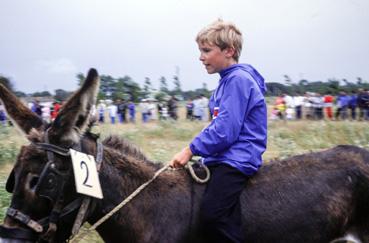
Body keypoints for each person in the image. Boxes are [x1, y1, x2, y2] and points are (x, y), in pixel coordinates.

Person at [169, 19, 267, 243]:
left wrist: (190, 150)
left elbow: (225, 130)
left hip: (237, 159)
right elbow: (217, 124)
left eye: (206, 50)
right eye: (200, 51)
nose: (201, 57)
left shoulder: (238, 81)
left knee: (213, 214)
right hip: (223, 157)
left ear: (229, 51)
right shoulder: (226, 82)